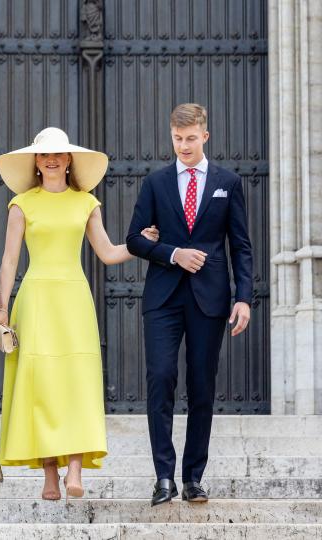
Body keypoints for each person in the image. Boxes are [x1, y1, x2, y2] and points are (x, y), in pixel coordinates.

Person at [0, 127, 159, 501]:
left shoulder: (87, 203)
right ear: (36, 161)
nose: (51, 159)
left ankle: (76, 469)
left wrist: (140, 245)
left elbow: (108, 252)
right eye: (44, 154)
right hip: (35, 299)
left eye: (59, 154)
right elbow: (9, 259)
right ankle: (50, 473)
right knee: (42, 384)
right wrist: (1, 307)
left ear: (69, 161)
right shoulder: (21, 204)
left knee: (77, 381)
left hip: (74, 300)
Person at [126, 103, 253, 506]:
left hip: (209, 300)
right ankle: (164, 477)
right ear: (172, 136)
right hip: (163, 297)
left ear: (205, 136)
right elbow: (134, 239)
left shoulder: (228, 182)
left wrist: (244, 298)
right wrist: (172, 252)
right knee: (161, 378)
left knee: (202, 388)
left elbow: (242, 247)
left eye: (191, 138)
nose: (183, 146)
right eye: (177, 139)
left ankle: (193, 478)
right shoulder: (156, 183)